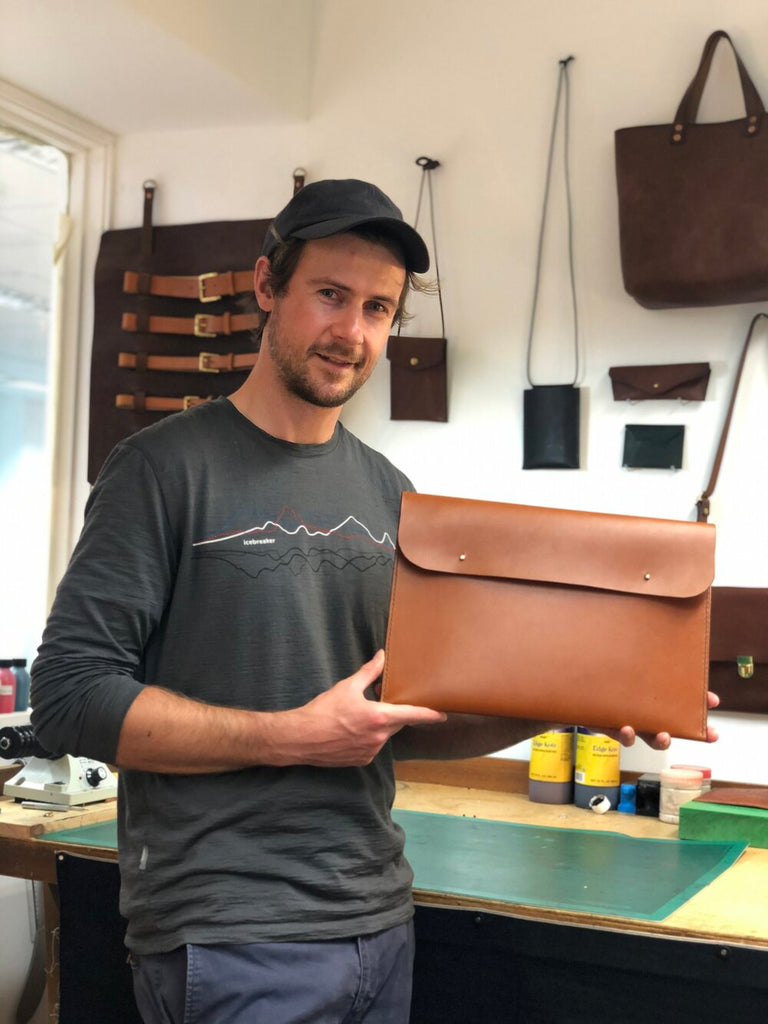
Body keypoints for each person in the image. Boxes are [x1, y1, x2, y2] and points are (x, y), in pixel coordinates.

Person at [30, 179, 718, 1024]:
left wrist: (572, 702)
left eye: (378, 309)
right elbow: (68, 696)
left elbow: (405, 715)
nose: (351, 333)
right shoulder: (161, 469)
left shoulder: (393, 494)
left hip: (378, 923)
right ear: (266, 285)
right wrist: (291, 736)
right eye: (330, 295)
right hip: (230, 933)